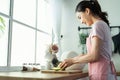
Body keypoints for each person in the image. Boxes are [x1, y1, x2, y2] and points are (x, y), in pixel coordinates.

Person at [58, 0, 117, 80]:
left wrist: (72, 60)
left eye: (80, 17)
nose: (81, 21)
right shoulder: (102, 24)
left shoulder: (98, 25)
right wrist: (74, 59)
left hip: (101, 73)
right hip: (103, 72)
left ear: (87, 11)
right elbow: (96, 54)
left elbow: (94, 56)